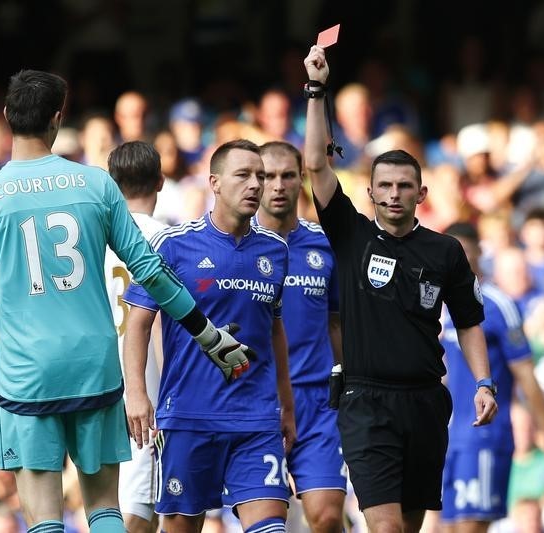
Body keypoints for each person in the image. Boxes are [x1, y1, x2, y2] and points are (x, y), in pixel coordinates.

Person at [0, 70, 255, 533]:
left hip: (27, 377)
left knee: (44, 520)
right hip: (95, 367)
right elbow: (152, 272)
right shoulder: (96, 185)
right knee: (103, 510)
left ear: (6, 117)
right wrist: (208, 334)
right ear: (58, 119)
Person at [302, 45, 498, 533]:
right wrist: (316, 91)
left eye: (404, 186)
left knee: (408, 528)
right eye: (384, 186)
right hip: (365, 402)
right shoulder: (350, 234)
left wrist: (483, 382)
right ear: (370, 193)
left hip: (426, 402)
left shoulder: (446, 251)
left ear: (421, 194)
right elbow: (316, 165)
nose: (393, 195)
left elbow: (470, 321)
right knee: (385, 528)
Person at [124, 139, 297, 533]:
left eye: (262, 176)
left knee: (272, 526)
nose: (257, 184)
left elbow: (274, 328)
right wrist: (137, 392)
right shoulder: (175, 245)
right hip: (188, 416)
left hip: (255, 418)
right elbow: (138, 321)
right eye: (244, 175)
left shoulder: (275, 250)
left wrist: (286, 404)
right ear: (215, 183)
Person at [438, 222, 544, 533]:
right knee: (447, 528)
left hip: (484, 434)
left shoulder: (498, 304)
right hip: (448, 437)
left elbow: (526, 373)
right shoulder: (440, 307)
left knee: (471, 527)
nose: (455, 259)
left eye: (463, 251)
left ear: (479, 253)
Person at [254, 141, 347, 533]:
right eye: (268, 176)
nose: (278, 185)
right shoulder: (236, 246)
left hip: (318, 401)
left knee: (326, 517)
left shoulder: (325, 244)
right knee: (268, 523)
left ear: (302, 180)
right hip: (258, 404)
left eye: (287, 175)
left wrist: (350, 383)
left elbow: (337, 323)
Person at [103, 140, 166, 533]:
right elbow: (164, 322)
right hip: (149, 389)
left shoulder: (94, 240)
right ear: (160, 181)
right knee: (139, 513)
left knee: (108, 505)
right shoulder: (169, 239)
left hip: (98, 383)